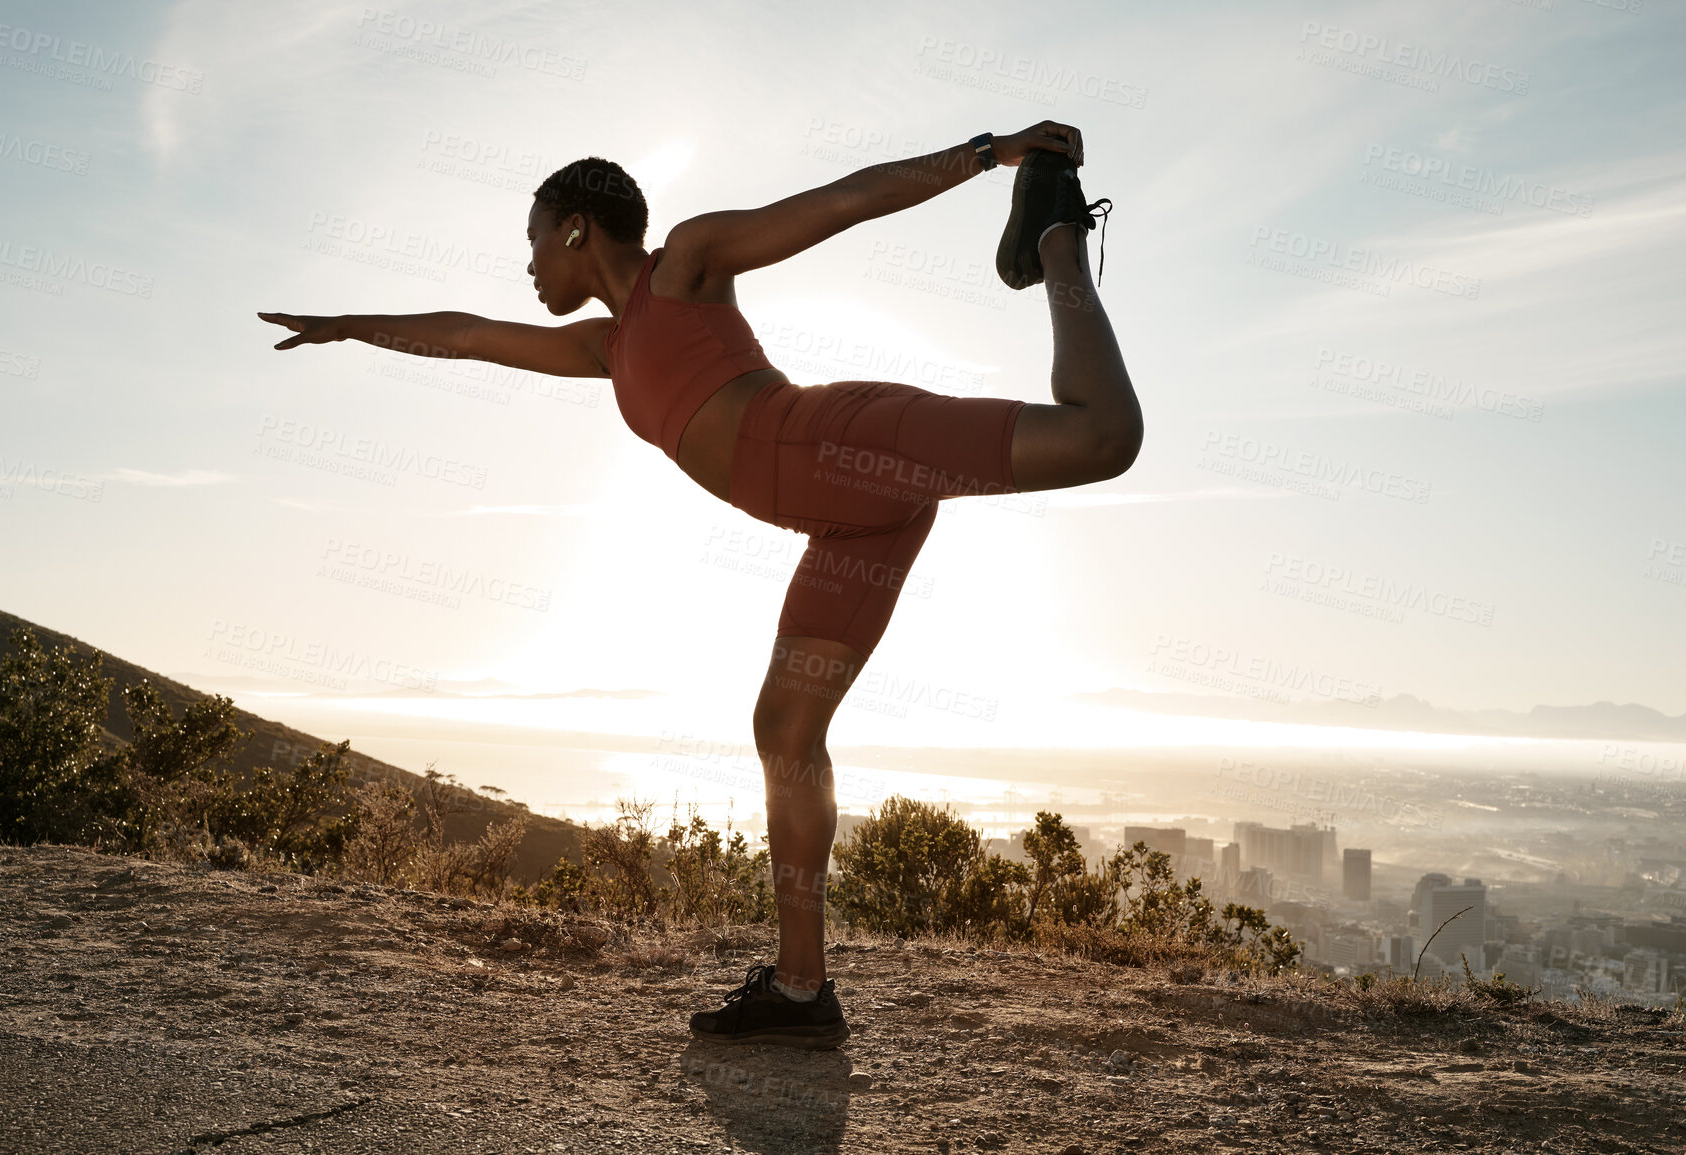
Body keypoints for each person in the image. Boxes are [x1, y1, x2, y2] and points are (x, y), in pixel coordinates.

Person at [259, 120, 1140, 1050]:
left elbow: (839, 203)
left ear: (573, 230)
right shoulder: (609, 347)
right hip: (845, 520)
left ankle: (1052, 232)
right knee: (783, 730)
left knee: (1100, 437)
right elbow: (473, 337)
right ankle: (802, 993)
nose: (524, 263)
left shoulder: (685, 262)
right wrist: (352, 327)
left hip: (845, 441)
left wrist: (990, 154)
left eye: (530, 237)